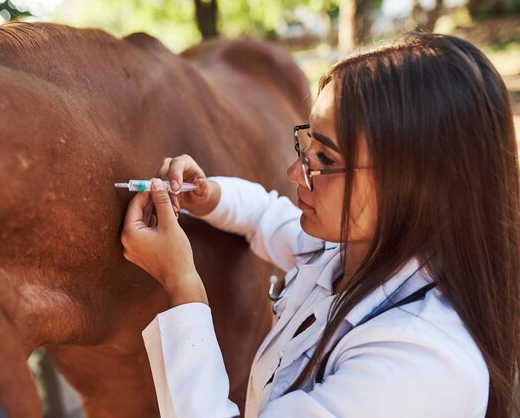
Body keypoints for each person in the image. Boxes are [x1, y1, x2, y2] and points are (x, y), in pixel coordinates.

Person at [120, 32, 519, 418]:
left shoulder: (421, 365)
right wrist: (208, 196)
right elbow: (266, 216)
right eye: (307, 144)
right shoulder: (355, 252)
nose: (295, 171)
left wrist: (181, 284)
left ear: (417, 181)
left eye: (325, 160)